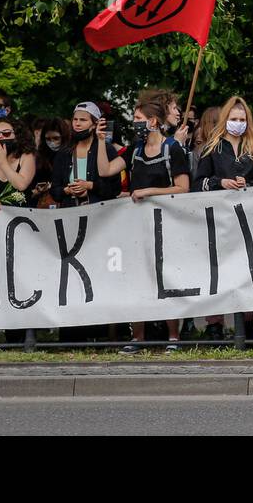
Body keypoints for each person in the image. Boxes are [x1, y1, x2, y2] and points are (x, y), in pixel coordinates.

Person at [98, 100, 191, 353]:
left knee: (165, 278)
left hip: (166, 224)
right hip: (136, 226)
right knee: (136, 280)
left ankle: (173, 337)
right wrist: (99, 141)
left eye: (139, 117)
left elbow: (183, 188)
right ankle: (137, 338)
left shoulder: (173, 149)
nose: (135, 122)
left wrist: (149, 192)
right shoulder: (134, 150)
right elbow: (105, 170)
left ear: (153, 121)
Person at [192, 96, 253, 342]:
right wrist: (219, 182)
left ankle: (247, 322)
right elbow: (197, 184)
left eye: (242, 119)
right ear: (226, 120)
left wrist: (251, 184)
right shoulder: (212, 148)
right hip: (218, 220)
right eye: (234, 119)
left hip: (247, 221)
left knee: (246, 271)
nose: (238, 123)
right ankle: (215, 324)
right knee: (216, 271)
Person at [50, 102, 123, 208]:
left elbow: (115, 189)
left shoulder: (106, 149)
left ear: (94, 124)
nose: (77, 123)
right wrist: (68, 190)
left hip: (101, 215)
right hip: (70, 215)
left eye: (83, 120)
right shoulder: (64, 152)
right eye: (75, 119)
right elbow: (54, 191)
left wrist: (90, 186)